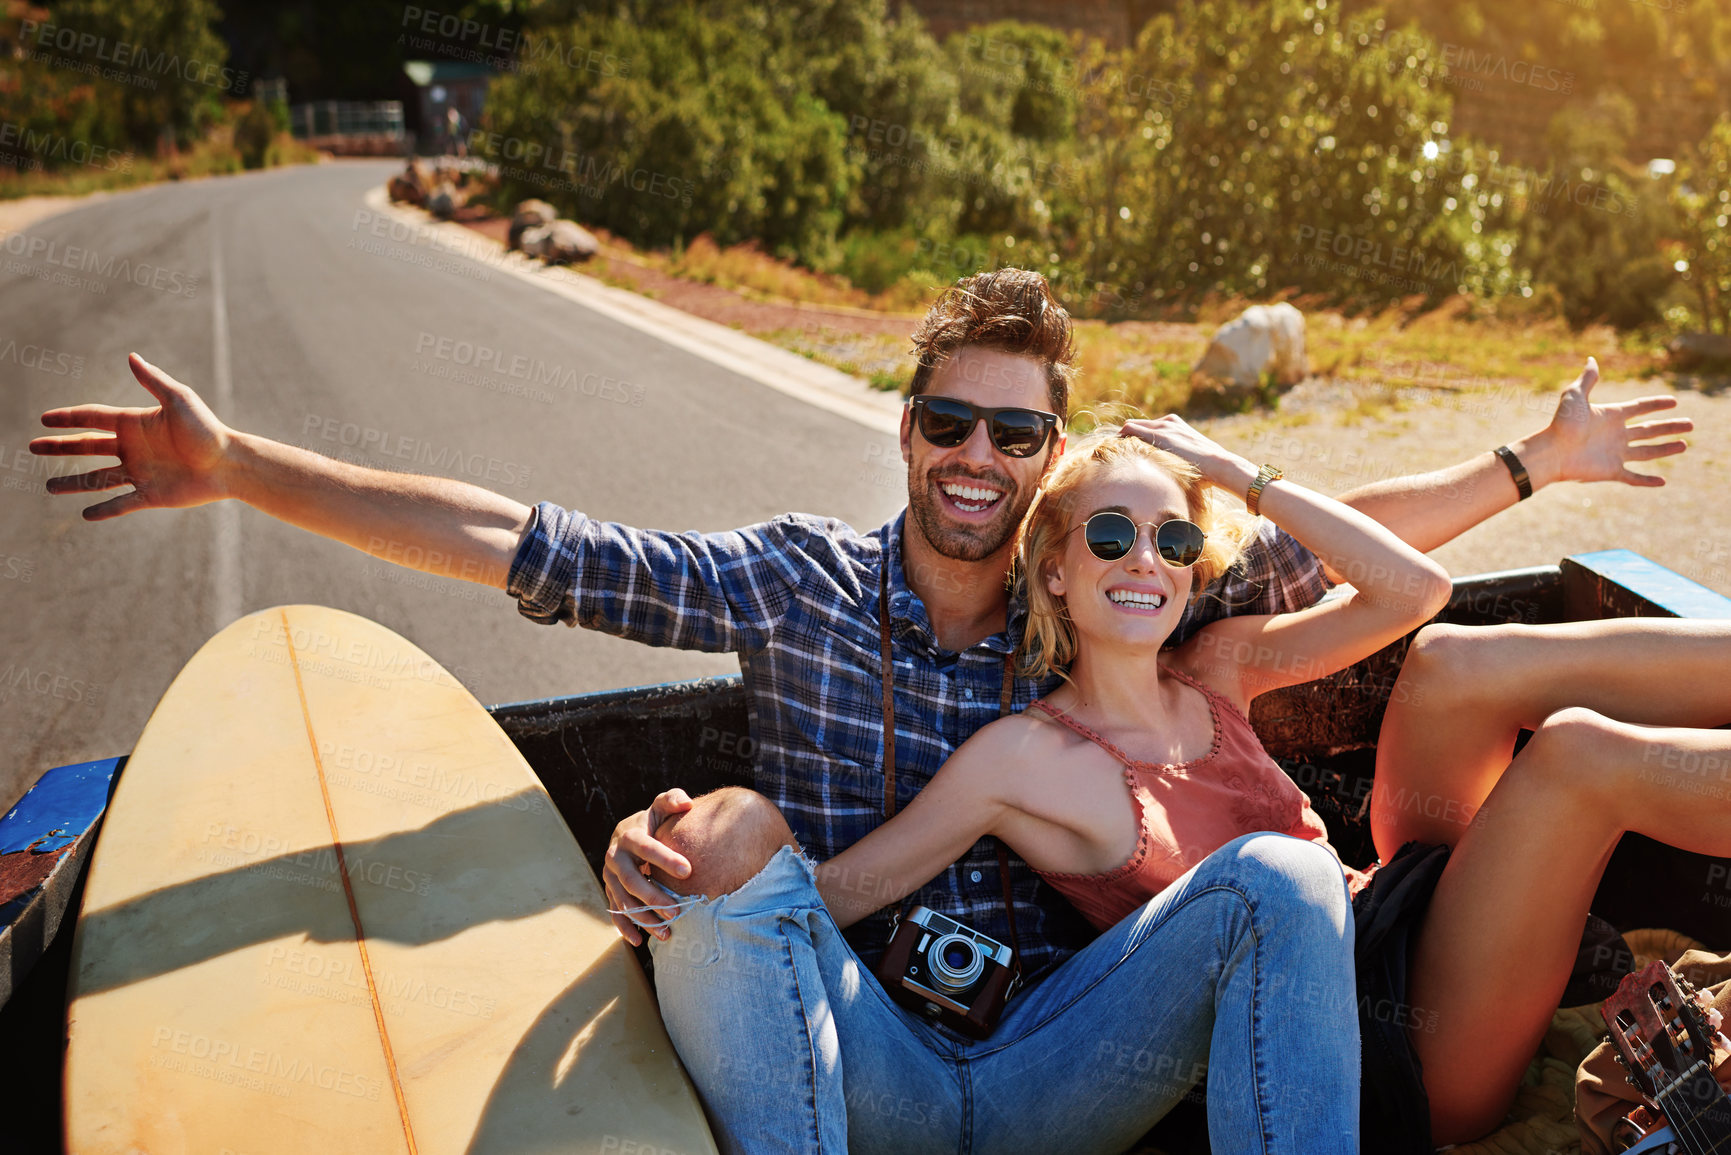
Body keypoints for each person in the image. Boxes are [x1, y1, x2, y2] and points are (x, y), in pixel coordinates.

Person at [28, 269, 1689, 1149]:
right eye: (946, 423)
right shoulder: (790, 584)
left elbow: (1316, 546)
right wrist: (241, 470)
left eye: (1014, 436)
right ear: (906, 430)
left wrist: (1535, 464)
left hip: (1061, 1059)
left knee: (1269, 884)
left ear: (1050, 469)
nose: (976, 457)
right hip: (849, 1046)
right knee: (720, 841)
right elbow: (523, 544)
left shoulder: (1105, 598)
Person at [666, 429, 1731, 1151]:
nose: (1147, 560)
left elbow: (1416, 591)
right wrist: (682, 870)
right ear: (1055, 572)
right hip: (1392, 1042)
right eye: (1110, 537)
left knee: (1456, 660)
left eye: (1174, 539)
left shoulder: (1217, 668)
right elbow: (837, 894)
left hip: (1399, 918)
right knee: (1578, 753)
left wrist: (1239, 474)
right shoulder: (1022, 759)